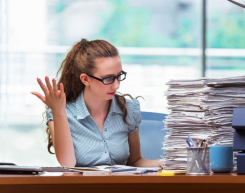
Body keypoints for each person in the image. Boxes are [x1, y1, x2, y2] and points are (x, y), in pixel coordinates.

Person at [31, 39, 162, 167]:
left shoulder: (129, 109)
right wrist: (58, 111)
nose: (116, 86)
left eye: (119, 76)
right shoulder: (62, 112)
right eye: (108, 79)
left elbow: (135, 162)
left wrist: (164, 163)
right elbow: (67, 163)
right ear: (86, 79)